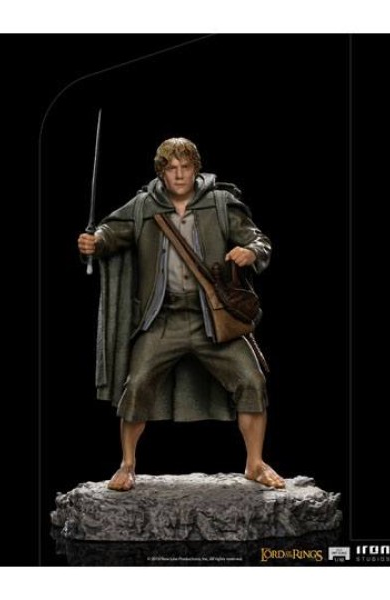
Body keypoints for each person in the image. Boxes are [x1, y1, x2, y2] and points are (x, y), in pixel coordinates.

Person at [77, 137, 285, 491]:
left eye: (185, 167)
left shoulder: (220, 202)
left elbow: (259, 240)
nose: (179, 175)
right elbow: (113, 231)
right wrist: (95, 242)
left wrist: (251, 252)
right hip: (163, 318)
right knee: (136, 384)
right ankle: (127, 464)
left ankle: (254, 463)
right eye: (171, 168)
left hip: (213, 318)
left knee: (252, 380)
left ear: (195, 169)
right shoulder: (145, 205)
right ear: (161, 172)